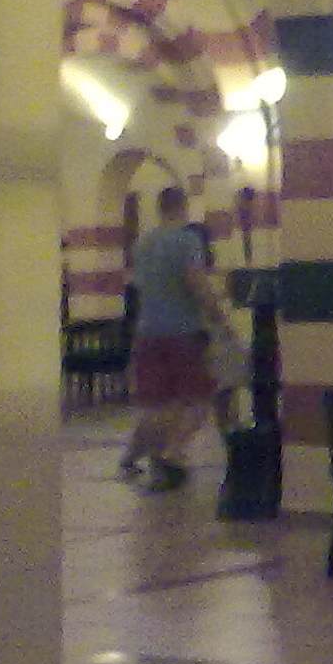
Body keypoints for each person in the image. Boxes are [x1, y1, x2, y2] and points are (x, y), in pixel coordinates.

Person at [119, 185, 233, 493]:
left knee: (157, 403)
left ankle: (142, 456)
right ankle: (173, 453)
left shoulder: (142, 243)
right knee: (199, 400)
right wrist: (219, 319)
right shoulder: (187, 240)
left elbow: (139, 285)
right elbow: (196, 283)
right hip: (184, 332)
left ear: (159, 207)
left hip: (147, 331)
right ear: (183, 206)